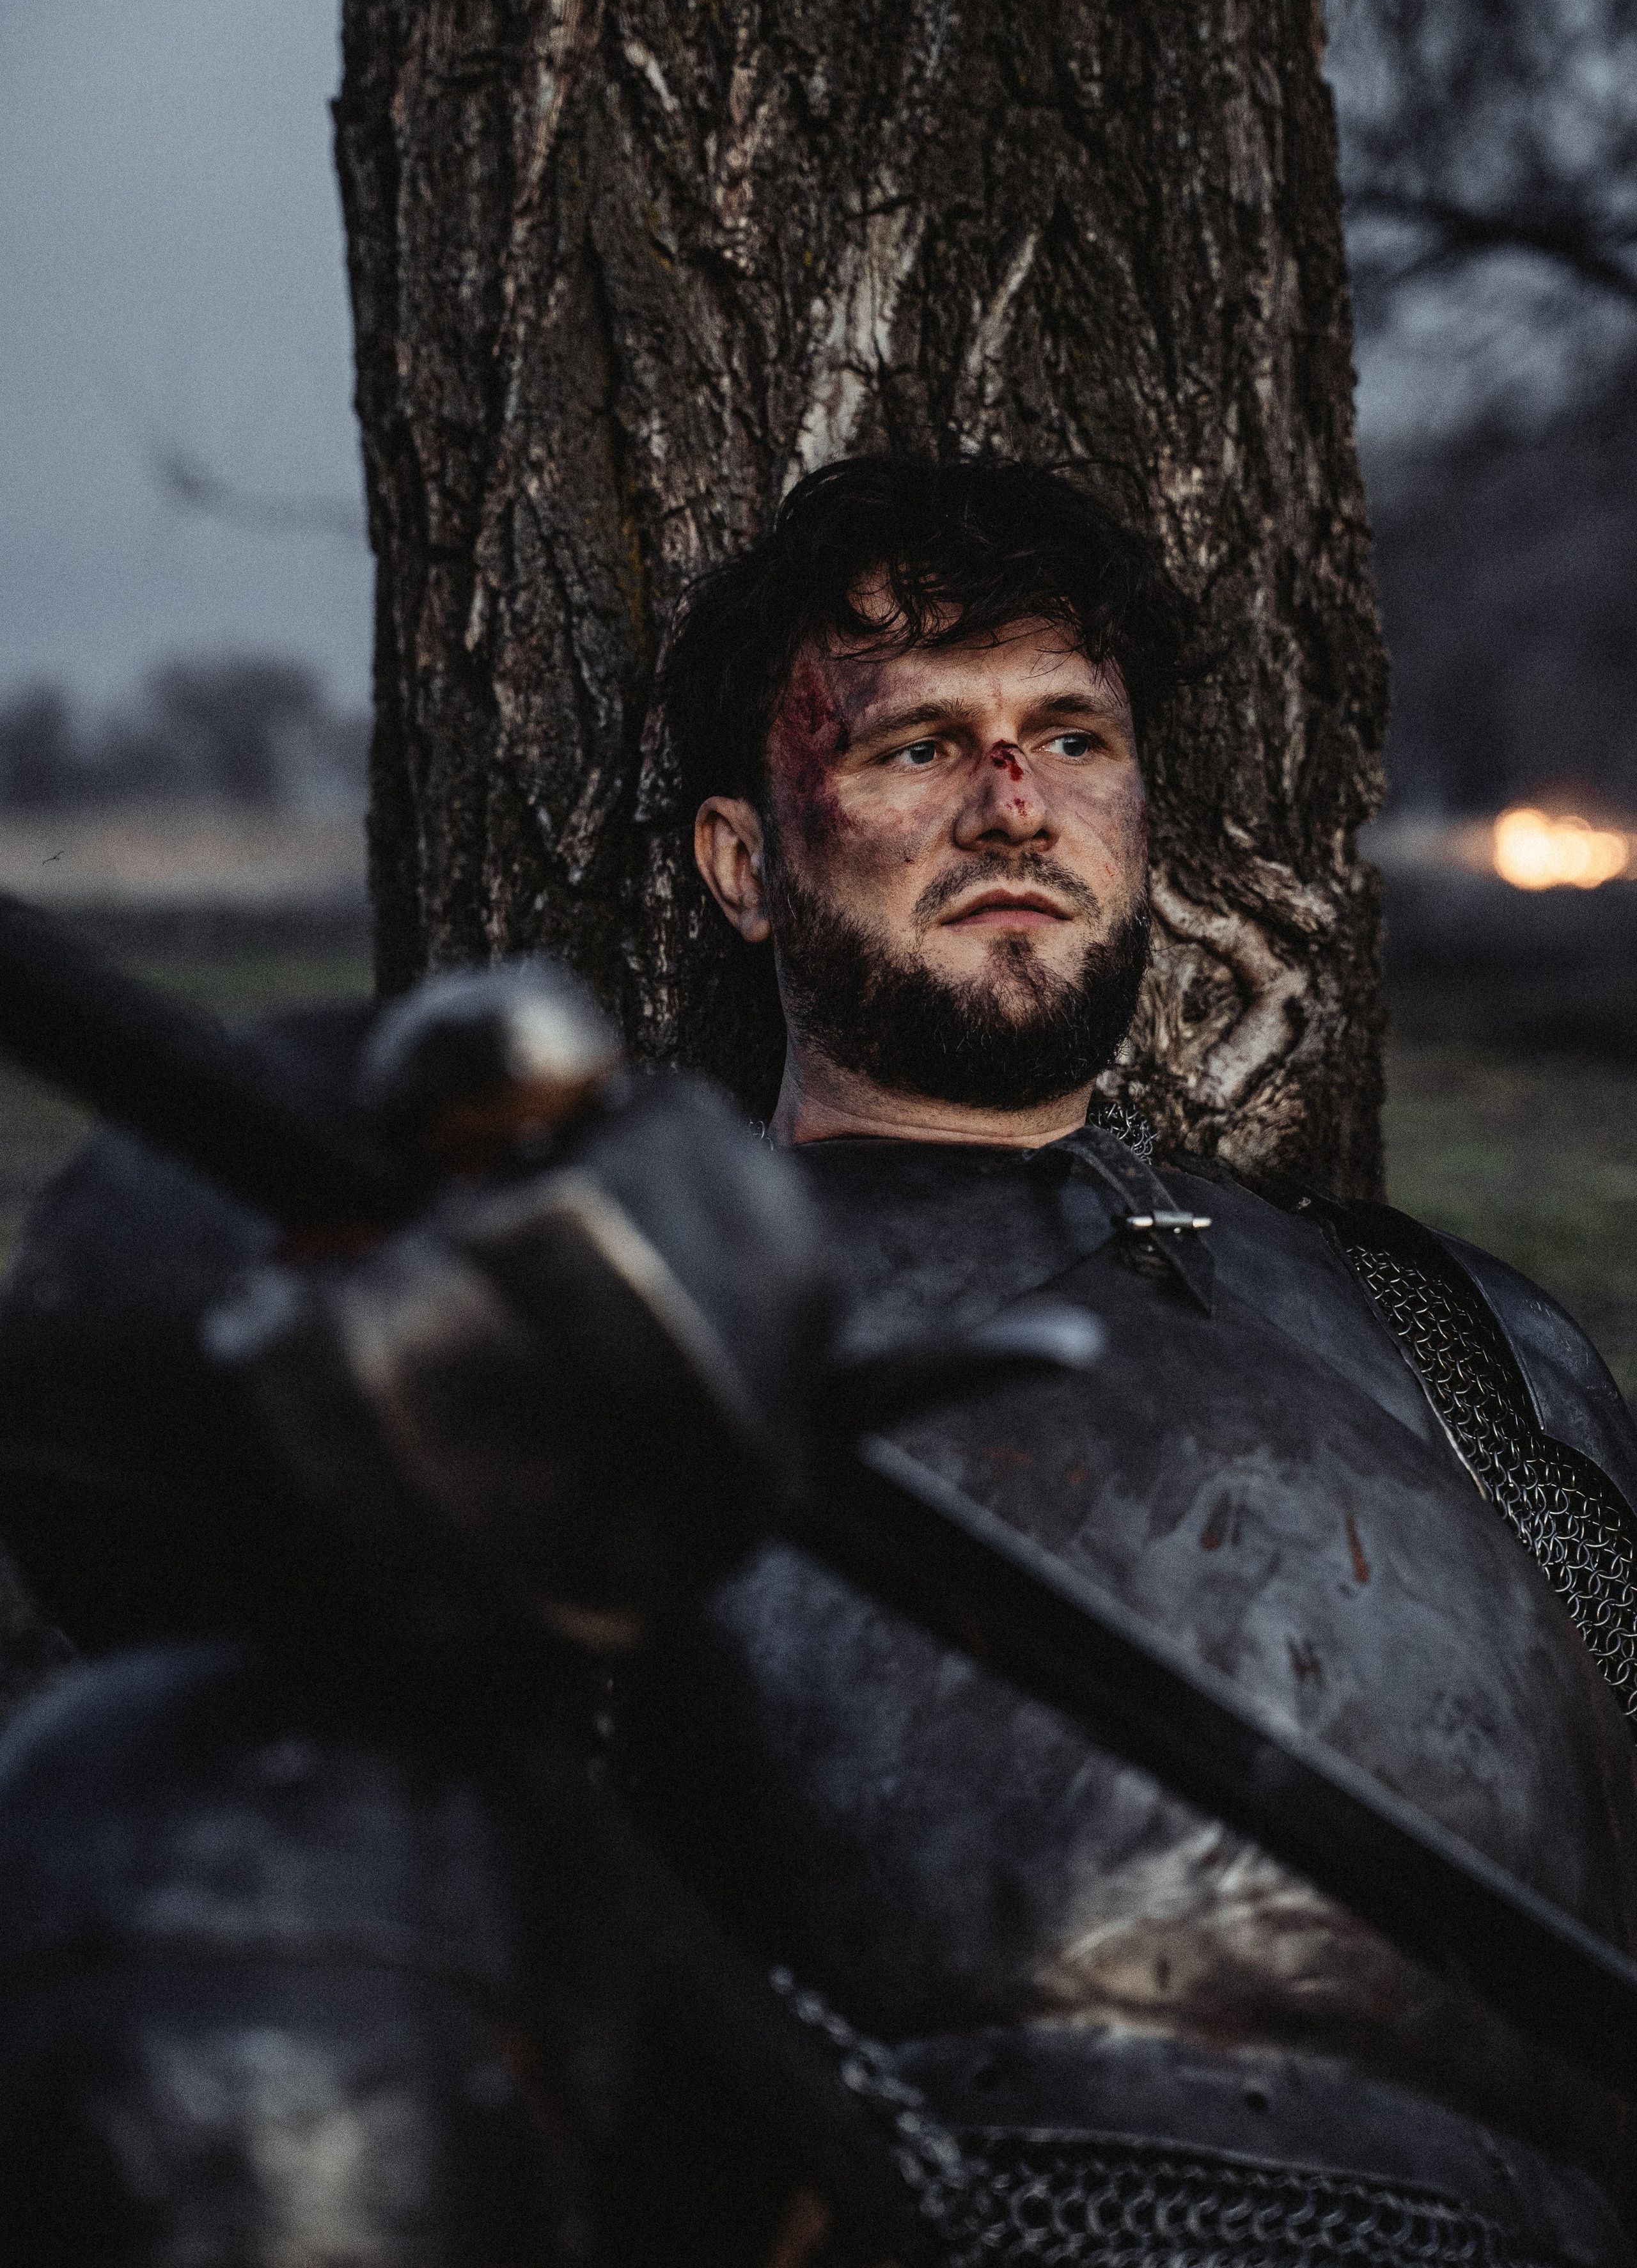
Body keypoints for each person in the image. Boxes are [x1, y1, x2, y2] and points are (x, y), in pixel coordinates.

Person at [0, 455, 1635, 2268]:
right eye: (919, 746)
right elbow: (135, 1452)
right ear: (742, 862)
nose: (1015, 805)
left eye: (1073, 739)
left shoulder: (1459, 1338)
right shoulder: (582, 1327)